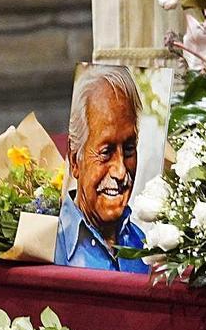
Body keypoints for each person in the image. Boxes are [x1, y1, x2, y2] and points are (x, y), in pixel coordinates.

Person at [55, 65, 148, 273]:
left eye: (129, 149)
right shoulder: (49, 246)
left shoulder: (145, 247)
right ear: (74, 160)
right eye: (106, 152)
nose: (121, 172)